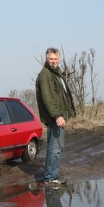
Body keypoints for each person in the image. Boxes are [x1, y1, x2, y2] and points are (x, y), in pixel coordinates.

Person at [35, 47, 76, 185]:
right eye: (51, 59)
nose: (53, 61)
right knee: (55, 148)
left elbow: (62, 95)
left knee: (57, 147)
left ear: (59, 59)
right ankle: (50, 178)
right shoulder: (46, 75)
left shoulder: (56, 74)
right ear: (46, 59)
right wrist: (57, 116)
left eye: (56, 59)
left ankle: (51, 175)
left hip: (58, 117)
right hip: (54, 118)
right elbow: (48, 99)